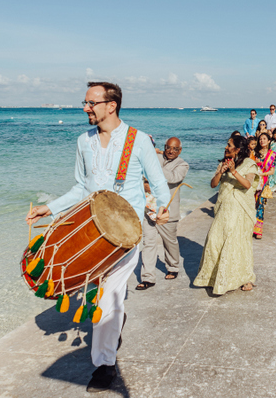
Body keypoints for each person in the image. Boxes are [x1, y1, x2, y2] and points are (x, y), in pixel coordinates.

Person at [26, 82, 170, 393]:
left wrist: (162, 209)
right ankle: (114, 327)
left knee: (108, 296)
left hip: (125, 236)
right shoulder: (83, 141)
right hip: (90, 230)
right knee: (100, 293)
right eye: (85, 102)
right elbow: (81, 188)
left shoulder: (139, 140)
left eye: (91, 102)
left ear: (111, 105)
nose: (85, 108)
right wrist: (47, 209)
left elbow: (159, 186)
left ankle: (104, 366)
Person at [194, 134, 259, 295]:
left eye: (229, 145)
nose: (226, 147)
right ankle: (212, 277)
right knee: (214, 240)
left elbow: (247, 185)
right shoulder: (224, 163)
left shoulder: (250, 164)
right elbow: (213, 184)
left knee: (236, 243)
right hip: (224, 207)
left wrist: (233, 171)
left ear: (238, 149)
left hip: (240, 207)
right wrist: (220, 172)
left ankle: (245, 278)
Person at [137, 137, 189, 290]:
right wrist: (144, 184)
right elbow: (139, 172)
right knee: (148, 243)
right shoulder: (155, 156)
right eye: (168, 147)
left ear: (180, 151)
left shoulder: (183, 164)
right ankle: (148, 277)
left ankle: (173, 267)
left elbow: (173, 178)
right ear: (164, 146)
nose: (170, 151)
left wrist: (152, 163)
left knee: (170, 241)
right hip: (149, 209)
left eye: (175, 149)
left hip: (168, 210)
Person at [252, 132, 276, 239]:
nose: (262, 141)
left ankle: (258, 231)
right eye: (260, 139)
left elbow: (272, 171)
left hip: (264, 181)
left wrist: (262, 174)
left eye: (264, 139)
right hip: (253, 180)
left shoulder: (272, 154)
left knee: (260, 204)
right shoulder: (255, 153)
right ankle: (249, 227)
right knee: (251, 203)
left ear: (269, 141)